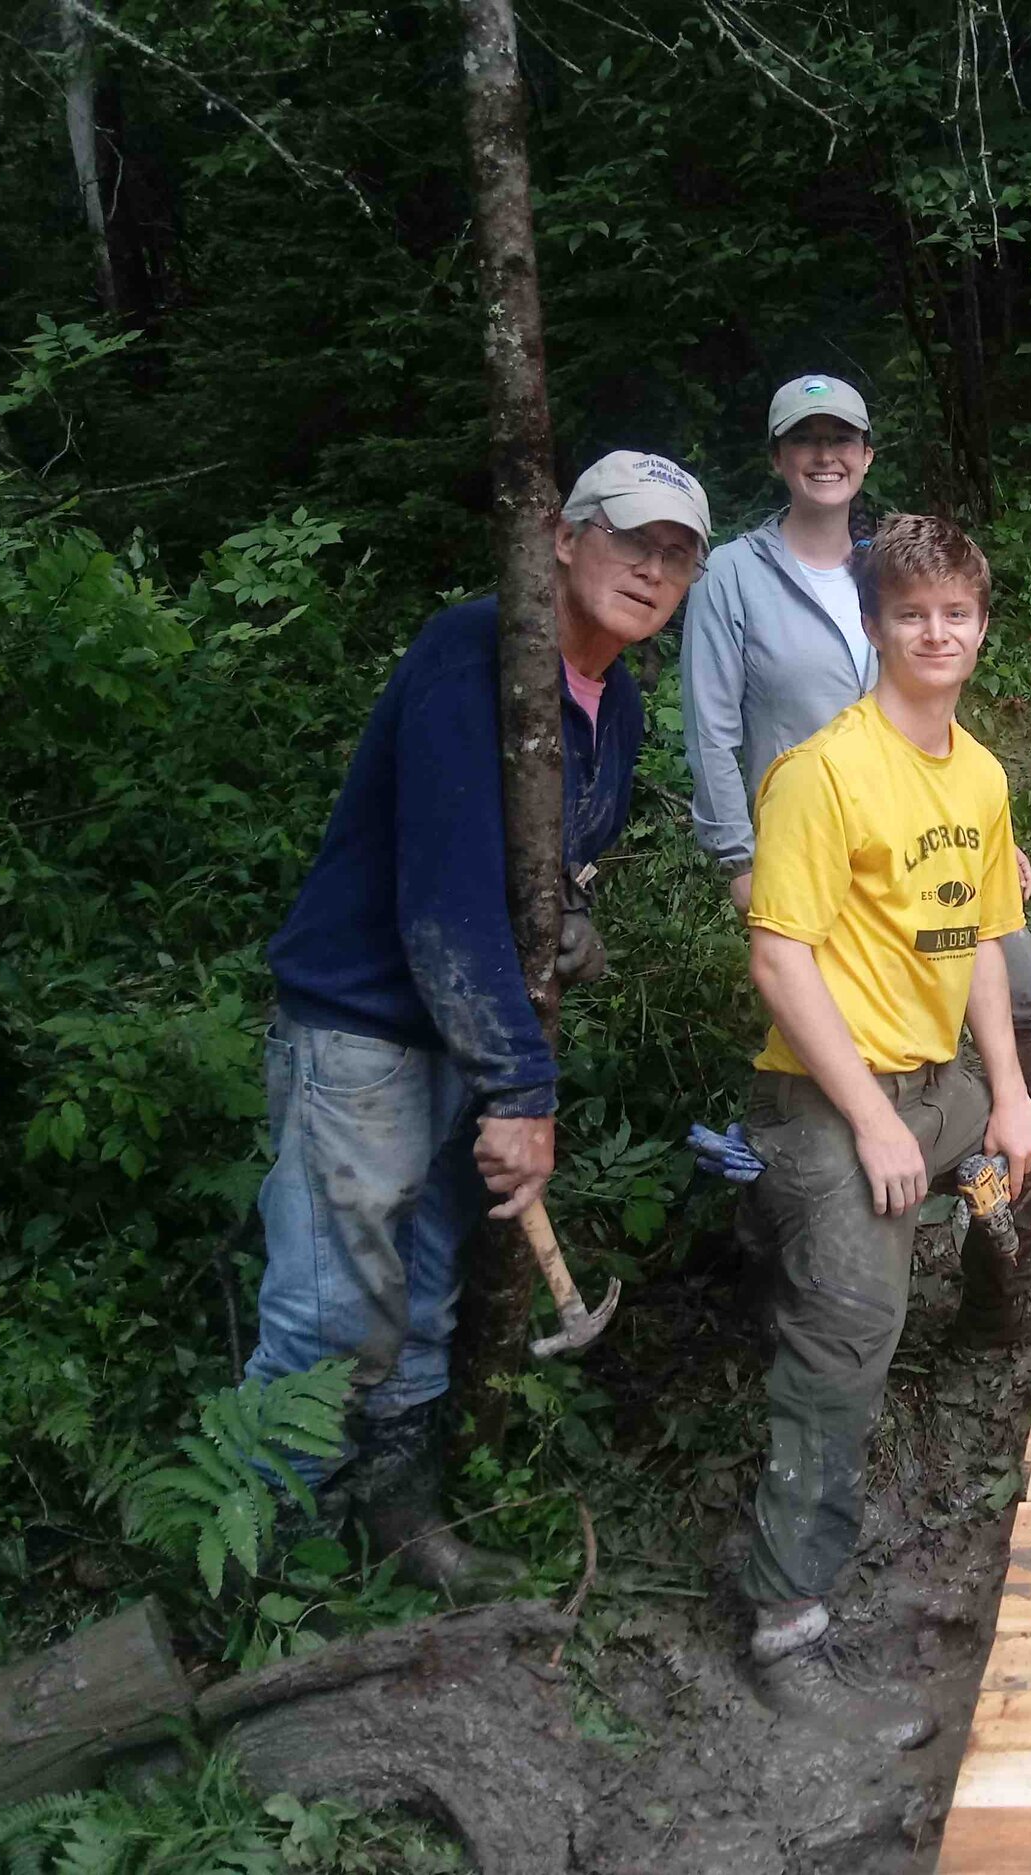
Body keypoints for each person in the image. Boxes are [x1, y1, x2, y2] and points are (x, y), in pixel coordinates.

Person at [247, 451, 712, 1596]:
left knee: (429, 1276)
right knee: (332, 1298)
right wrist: (522, 1090)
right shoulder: (475, 654)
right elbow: (446, 900)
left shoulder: (622, 701)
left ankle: (395, 1521)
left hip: (468, 1029)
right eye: (628, 541)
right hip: (365, 1026)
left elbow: (548, 873)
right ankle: (264, 1562)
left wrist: (571, 927)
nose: (650, 571)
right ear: (562, 536)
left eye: (675, 556)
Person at [734, 513, 1031, 1745]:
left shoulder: (976, 774)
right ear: (876, 626)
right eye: (910, 612)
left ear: (980, 629)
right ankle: (787, 1619)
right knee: (849, 1340)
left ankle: (992, 1311)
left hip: (934, 1085)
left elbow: (981, 942)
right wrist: (872, 1122)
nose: (936, 633)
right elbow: (779, 961)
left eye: (956, 614)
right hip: (829, 1098)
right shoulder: (824, 771)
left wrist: (1012, 1097)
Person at [679, 375, 1031, 1114]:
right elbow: (710, 728)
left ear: (867, 455)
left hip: (928, 833)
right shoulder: (732, 576)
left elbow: (933, 694)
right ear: (776, 457)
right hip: (823, 854)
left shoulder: (890, 562)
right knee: (851, 1018)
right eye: (804, 438)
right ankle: (875, 1157)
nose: (823, 454)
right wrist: (739, 856)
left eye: (840, 439)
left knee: (1017, 985)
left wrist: (984, 833)